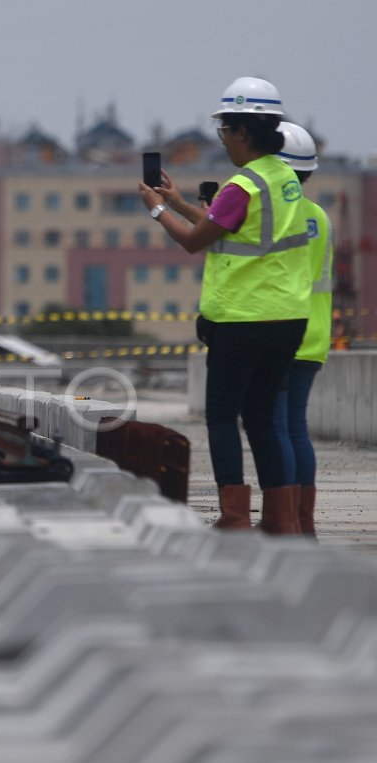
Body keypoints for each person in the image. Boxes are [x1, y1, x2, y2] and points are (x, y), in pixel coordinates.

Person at [138, 77, 310, 534]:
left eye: (224, 132)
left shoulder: (243, 184)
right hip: (288, 319)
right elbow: (228, 228)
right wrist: (177, 201)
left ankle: (234, 517)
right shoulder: (284, 180)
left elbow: (196, 242)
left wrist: (158, 212)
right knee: (262, 419)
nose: (223, 142)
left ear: (242, 132)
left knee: (222, 416)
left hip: (242, 320)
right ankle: (282, 520)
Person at [271, 122, 332, 537]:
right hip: (314, 336)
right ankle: (303, 522)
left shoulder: (278, 214)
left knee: (276, 428)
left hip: (279, 332)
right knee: (296, 427)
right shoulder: (318, 216)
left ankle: (283, 520)